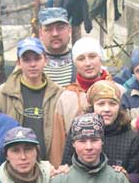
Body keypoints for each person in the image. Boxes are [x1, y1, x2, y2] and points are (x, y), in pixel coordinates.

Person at [50, 37, 121, 165]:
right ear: (74, 63)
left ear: (100, 58)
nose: (88, 63)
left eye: (92, 56)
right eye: (81, 58)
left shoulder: (119, 92)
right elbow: (58, 143)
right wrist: (58, 169)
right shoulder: (66, 98)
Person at [0, 37, 62, 163]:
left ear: (45, 60)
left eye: (37, 58)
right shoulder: (2, 94)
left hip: (49, 165)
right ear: (18, 63)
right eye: (26, 60)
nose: (32, 64)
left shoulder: (59, 94)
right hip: (16, 164)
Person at [62, 80, 139, 175]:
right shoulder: (78, 130)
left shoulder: (131, 136)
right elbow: (67, 166)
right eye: (101, 104)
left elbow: (135, 174)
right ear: (92, 106)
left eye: (112, 103)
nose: (107, 109)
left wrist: (126, 176)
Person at [38, 7, 74, 87]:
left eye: (60, 28)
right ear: (40, 33)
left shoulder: (82, 60)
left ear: (69, 31)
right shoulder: (30, 64)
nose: (55, 34)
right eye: (48, 29)